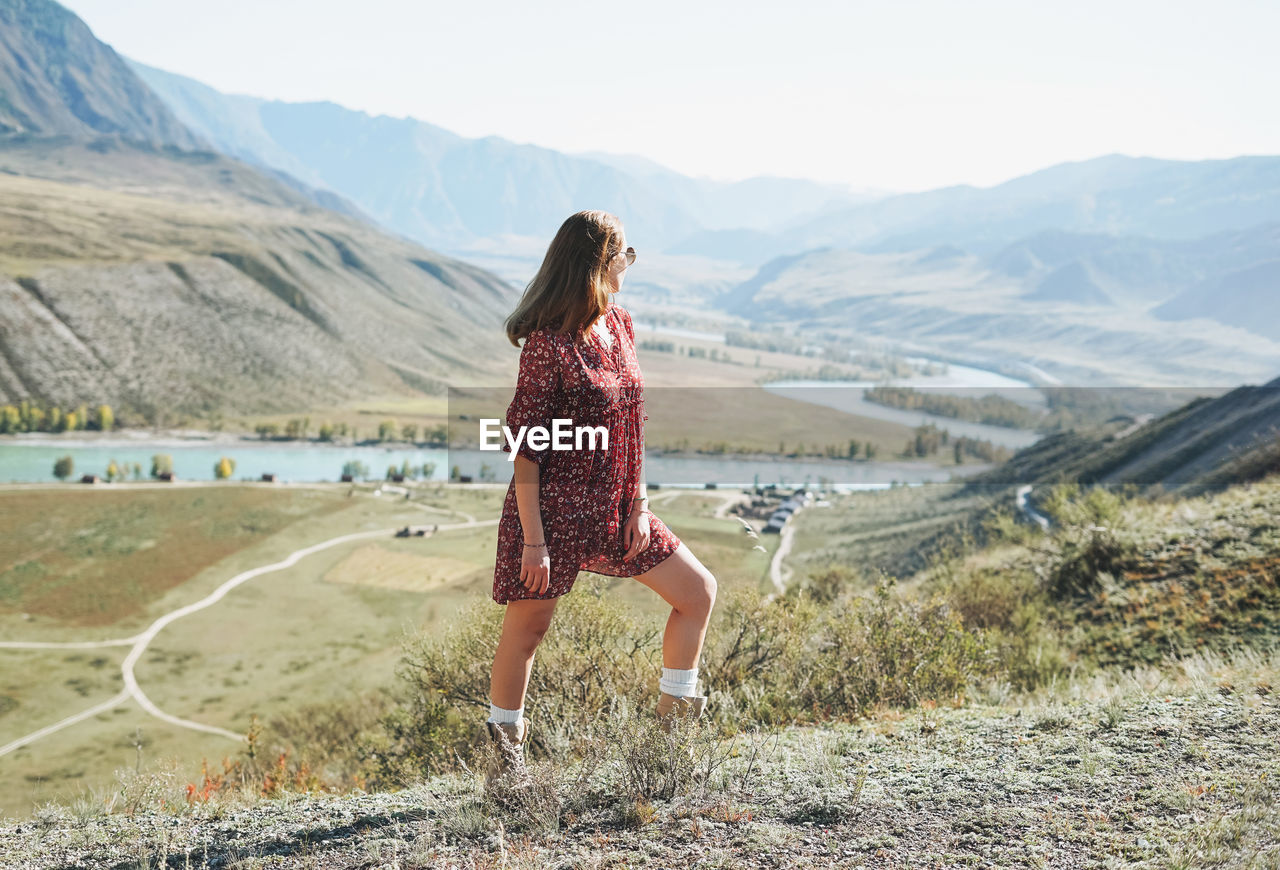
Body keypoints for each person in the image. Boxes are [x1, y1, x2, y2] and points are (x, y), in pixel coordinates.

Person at [483, 210, 718, 784]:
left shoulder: (622, 326)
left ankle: (668, 738)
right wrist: (533, 542)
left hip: (617, 508)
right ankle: (505, 768)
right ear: (598, 263)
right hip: (553, 514)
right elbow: (526, 446)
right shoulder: (547, 345)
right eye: (624, 255)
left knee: (698, 592)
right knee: (527, 634)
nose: (628, 265)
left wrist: (638, 502)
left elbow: (632, 425)